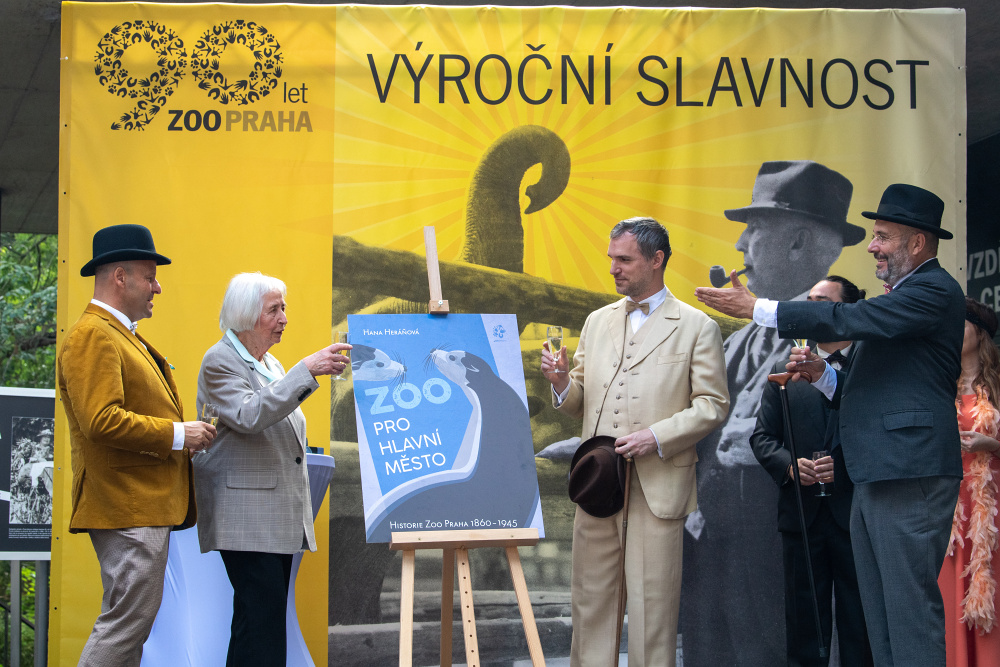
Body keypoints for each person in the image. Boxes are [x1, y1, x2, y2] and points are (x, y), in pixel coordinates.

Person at [695, 183, 966, 667]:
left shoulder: (933, 290)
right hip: (877, 474)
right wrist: (822, 377)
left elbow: (849, 316)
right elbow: (860, 395)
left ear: (918, 242)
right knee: (879, 613)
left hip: (908, 474)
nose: (873, 246)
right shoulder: (901, 300)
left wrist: (758, 308)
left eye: (882, 236)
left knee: (907, 610)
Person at [682, 160, 867, 665]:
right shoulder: (739, 338)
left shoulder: (837, 343)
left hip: (781, 546)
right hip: (715, 552)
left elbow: (811, 424)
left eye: (755, 230)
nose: (740, 246)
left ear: (799, 243)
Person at [541, 217, 729, 667]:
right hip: (597, 484)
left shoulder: (697, 326)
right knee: (591, 605)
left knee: (653, 611)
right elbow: (578, 402)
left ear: (656, 259)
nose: (614, 269)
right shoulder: (596, 322)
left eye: (624, 260)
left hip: (658, 485)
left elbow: (713, 405)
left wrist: (656, 436)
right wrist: (563, 383)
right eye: (611, 259)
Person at [57, 224, 216, 666]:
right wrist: (179, 434)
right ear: (120, 277)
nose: (158, 287)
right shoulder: (94, 334)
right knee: (126, 625)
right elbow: (100, 420)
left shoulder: (116, 334)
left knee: (130, 626)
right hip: (127, 508)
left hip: (136, 507)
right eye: (150, 276)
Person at [194, 272, 350, 667]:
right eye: (274, 310)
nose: (284, 318)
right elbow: (249, 414)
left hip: (270, 518)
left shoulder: (270, 362)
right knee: (260, 628)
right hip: (245, 519)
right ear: (247, 315)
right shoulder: (220, 361)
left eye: (284, 308)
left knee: (256, 627)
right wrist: (307, 370)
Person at [750, 276, 872, 667]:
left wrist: (847, 466)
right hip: (802, 515)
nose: (811, 308)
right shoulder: (783, 376)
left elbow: (884, 435)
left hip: (858, 513)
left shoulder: (874, 368)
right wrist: (790, 466)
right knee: (804, 625)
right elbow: (762, 438)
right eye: (809, 301)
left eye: (823, 302)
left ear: (845, 312)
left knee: (861, 622)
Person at [939, 297, 1000, 665]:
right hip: (950, 506)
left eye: (959, 325)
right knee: (950, 587)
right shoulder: (939, 381)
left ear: (980, 332)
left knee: (990, 585)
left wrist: (989, 443)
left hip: (992, 504)